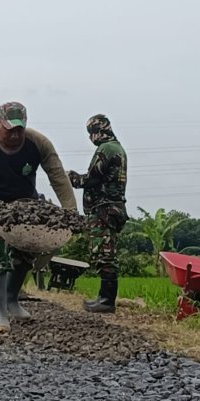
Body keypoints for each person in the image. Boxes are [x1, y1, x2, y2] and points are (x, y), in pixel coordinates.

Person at [0, 101, 78, 333]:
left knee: (26, 253)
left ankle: (12, 299)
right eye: (9, 129)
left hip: (26, 203)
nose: (15, 134)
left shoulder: (39, 143)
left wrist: (71, 212)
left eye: (20, 129)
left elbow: (58, 177)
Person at [69, 114, 128, 313]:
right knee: (104, 252)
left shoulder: (107, 149)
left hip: (105, 209)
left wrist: (73, 178)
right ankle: (104, 298)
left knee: (105, 253)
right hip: (111, 208)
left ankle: (107, 301)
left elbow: (93, 177)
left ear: (98, 132)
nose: (90, 138)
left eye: (91, 133)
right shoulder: (115, 148)